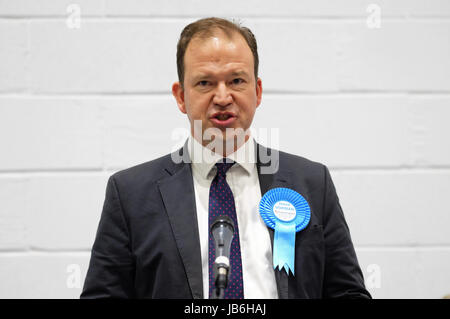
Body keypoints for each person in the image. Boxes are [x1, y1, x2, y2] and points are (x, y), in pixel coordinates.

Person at [81, 17, 371, 299]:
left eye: (236, 80)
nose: (222, 97)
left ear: (257, 91)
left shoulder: (311, 183)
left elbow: (348, 292)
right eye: (205, 83)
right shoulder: (131, 194)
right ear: (181, 96)